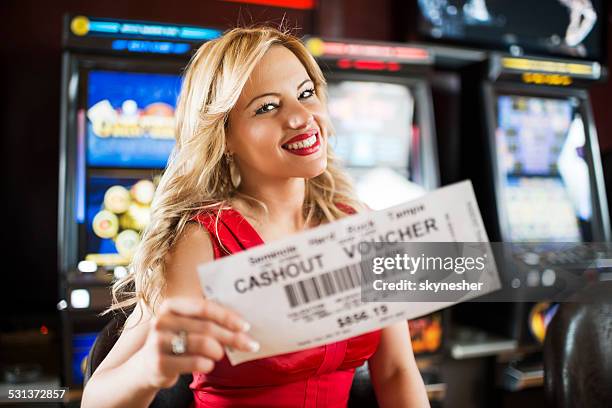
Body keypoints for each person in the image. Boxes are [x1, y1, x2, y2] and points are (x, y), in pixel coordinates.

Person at [81, 26, 430, 408]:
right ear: (225, 135)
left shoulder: (360, 223)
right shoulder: (202, 241)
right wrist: (151, 365)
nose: (301, 117)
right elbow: (95, 400)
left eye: (306, 93)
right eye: (267, 106)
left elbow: (397, 371)